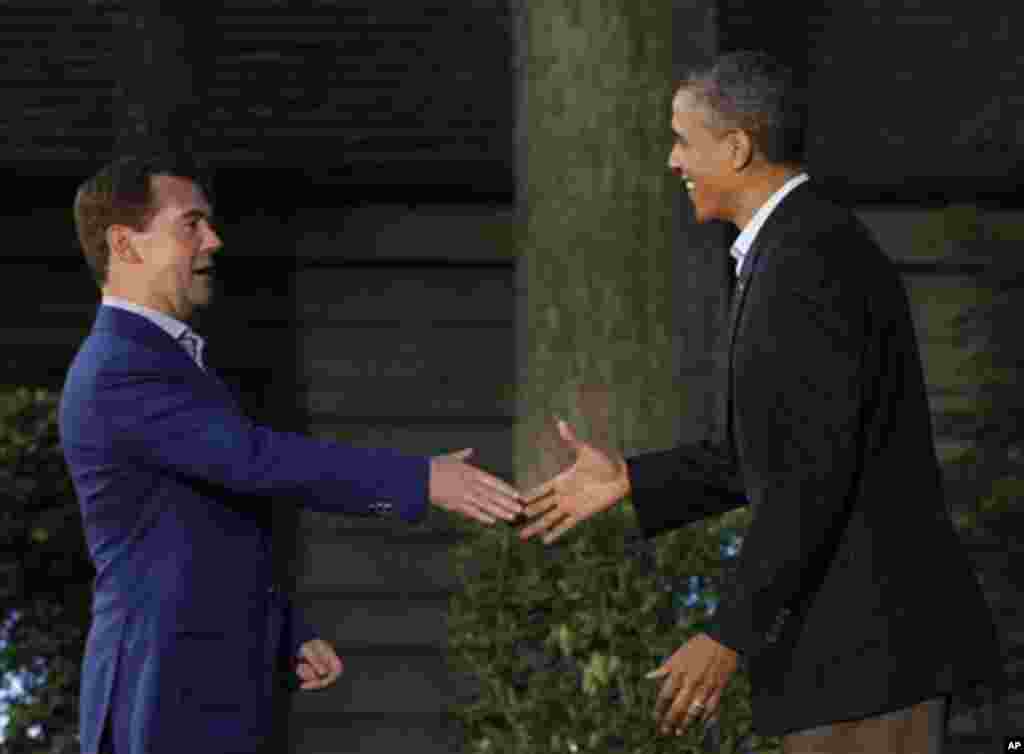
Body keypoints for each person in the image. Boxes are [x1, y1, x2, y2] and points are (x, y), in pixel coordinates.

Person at [518, 51, 1005, 753]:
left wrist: (727, 635)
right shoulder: (792, 249)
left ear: (737, 147)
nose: (671, 161)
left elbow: (810, 475)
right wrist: (631, 478)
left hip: (870, 658)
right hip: (852, 662)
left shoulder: (807, 260)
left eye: (683, 140)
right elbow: (774, 453)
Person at [58, 154, 524, 754]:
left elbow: (209, 519)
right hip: (162, 688)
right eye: (191, 224)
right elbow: (255, 460)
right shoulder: (120, 369)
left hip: (198, 683)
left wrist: (284, 629)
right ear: (125, 244)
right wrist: (420, 479)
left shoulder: (166, 359)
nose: (214, 240)